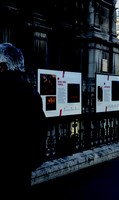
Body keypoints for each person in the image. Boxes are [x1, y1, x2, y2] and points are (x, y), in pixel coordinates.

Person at [0, 43, 47, 198]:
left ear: (3, 67)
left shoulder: (6, 90)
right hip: (23, 165)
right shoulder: (30, 90)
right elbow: (40, 127)